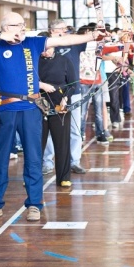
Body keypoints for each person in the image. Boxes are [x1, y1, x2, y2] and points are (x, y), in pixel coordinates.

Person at [0, 12, 106, 222]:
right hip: (7, 108)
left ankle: (34, 204)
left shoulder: (33, 43)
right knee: (0, 158)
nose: (22, 28)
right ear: (6, 27)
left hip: (31, 108)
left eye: (23, 25)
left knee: (33, 158)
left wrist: (92, 36)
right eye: (17, 25)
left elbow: (64, 39)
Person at [41, 20, 87, 176]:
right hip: (49, 96)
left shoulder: (73, 42)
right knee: (47, 130)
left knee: (75, 129)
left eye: (66, 29)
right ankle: (47, 162)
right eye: (60, 29)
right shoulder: (46, 46)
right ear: (51, 31)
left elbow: (90, 39)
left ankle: (74, 161)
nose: (64, 32)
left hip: (72, 92)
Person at [38, 32, 77, 187]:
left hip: (60, 106)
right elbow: (28, 83)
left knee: (62, 143)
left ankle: (64, 176)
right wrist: (42, 87)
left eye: (48, 47)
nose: (45, 51)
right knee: (36, 144)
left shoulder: (64, 60)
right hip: (38, 106)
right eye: (42, 48)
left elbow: (73, 84)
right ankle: (32, 177)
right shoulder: (34, 61)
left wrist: (66, 97)